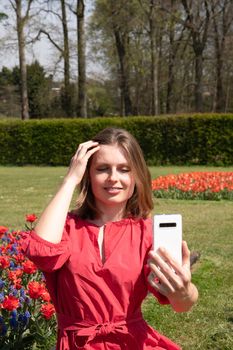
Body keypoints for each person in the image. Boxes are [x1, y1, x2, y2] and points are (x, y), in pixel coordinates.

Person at [21, 127, 198, 350]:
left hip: (132, 342)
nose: (113, 178)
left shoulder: (147, 233)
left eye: (124, 169)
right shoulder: (66, 227)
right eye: (102, 169)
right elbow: (41, 253)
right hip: (78, 343)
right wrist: (70, 180)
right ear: (88, 175)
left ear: (136, 176)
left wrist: (186, 291)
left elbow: (180, 304)